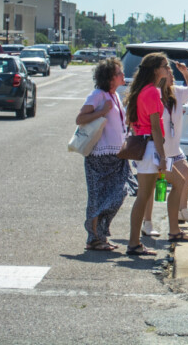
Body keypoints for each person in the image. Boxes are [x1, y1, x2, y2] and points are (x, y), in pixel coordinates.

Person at [76, 57, 130, 251]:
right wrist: (101, 111)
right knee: (98, 196)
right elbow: (80, 118)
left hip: (117, 155)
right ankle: (94, 238)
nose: (123, 75)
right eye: (119, 73)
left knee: (119, 193)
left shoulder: (115, 95)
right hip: (99, 156)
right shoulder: (98, 95)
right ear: (109, 77)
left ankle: (101, 233)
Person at [125, 53, 172, 256]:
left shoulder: (143, 90)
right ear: (155, 69)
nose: (167, 68)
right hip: (151, 148)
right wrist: (162, 156)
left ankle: (135, 241)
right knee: (143, 196)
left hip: (146, 147)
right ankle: (134, 243)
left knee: (149, 194)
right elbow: (155, 126)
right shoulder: (152, 91)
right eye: (164, 65)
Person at [146, 59, 188, 243]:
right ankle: (148, 223)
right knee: (150, 187)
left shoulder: (175, 92)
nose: (171, 72)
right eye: (167, 70)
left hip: (173, 149)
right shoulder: (153, 93)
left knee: (185, 173)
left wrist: (185, 72)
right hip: (157, 150)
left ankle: (181, 214)